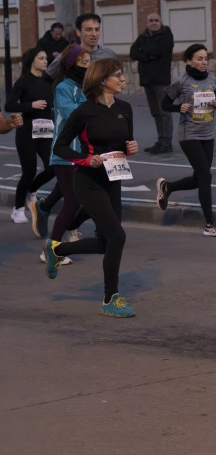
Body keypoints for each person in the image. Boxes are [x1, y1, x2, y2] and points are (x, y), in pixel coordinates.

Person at [45, 58, 139, 318]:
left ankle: (56, 249)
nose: (122, 79)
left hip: (113, 179)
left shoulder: (125, 108)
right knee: (117, 237)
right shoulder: (84, 112)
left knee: (104, 242)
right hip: (87, 180)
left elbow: (124, 143)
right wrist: (85, 159)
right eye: (117, 75)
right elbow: (60, 146)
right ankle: (111, 298)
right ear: (102, 81)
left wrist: (129, 148)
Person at [154, 44, 216, 237]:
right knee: (206, 176)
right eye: (199, 58)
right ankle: (210, 225)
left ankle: (167, 187)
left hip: (208, 135)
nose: (203, 62)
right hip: (189, 135)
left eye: (205, 58)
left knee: (199, 178)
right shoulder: (182, 82)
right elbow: (164, 104)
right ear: (189, 61)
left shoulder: (213, 82)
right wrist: (178, 107)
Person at [43, 46, 92, 258]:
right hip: (65, 154)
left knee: (90, 200)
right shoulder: (63, 87)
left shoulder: (89, 88)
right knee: (72, 202)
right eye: (82, 60)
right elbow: (71, 113)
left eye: (89, 60)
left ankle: (68, 233)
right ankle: (51, 250)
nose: (86, 63)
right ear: (72, 63)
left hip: (84, 153)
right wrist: (93, 106)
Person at [7, 48, 55, 231]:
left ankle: (32, 191)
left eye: (46, 58)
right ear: (32, 61)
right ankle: (18, 209)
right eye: (41, 58)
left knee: (53, 167)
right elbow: (9, 104)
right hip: (27, 131)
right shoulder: (23, 81)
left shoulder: (48, 80)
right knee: (29, 171)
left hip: (46, 130)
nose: (45, 61)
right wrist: (30, 105)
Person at [130, 13, 175, 154]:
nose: (154, 23)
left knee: (164, 112)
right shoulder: (143, 36)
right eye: (151, 20)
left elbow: (159, 50)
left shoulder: (166, 35)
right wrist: (148, 55)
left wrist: (144, 52)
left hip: (161, 80)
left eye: (156, 20)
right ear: (147, 23)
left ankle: (167, 142)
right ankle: (160, 140)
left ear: (160, 22)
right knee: (155, 112)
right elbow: (133, 52)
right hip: (147, 80)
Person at [46, 12, 118, 80]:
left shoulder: (109, 54)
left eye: (97, 29)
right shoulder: (69, 54)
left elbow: (118, 79)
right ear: (78, 32)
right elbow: (47, 77)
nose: (94, 34)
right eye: (89, 30)